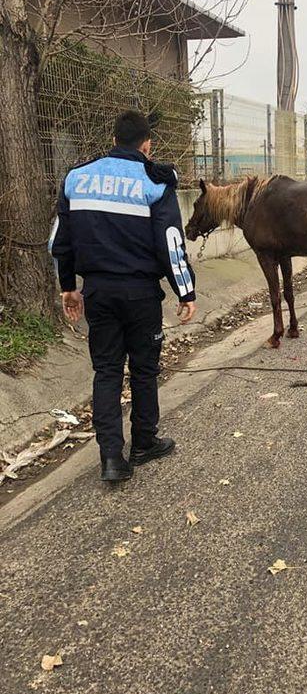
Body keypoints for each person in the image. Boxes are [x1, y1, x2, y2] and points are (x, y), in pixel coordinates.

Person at [50, 110, 196, 482]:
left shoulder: (76, 178)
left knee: (107, 371)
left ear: (114, 139)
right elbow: (170, 242)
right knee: (144, 369)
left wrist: (69, 287)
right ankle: (144, 442)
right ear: (147, 145)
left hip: (97, 292)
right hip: (141, 294)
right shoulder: (154, 181)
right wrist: (185, 290)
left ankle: (112, 459)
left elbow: (60, 242)